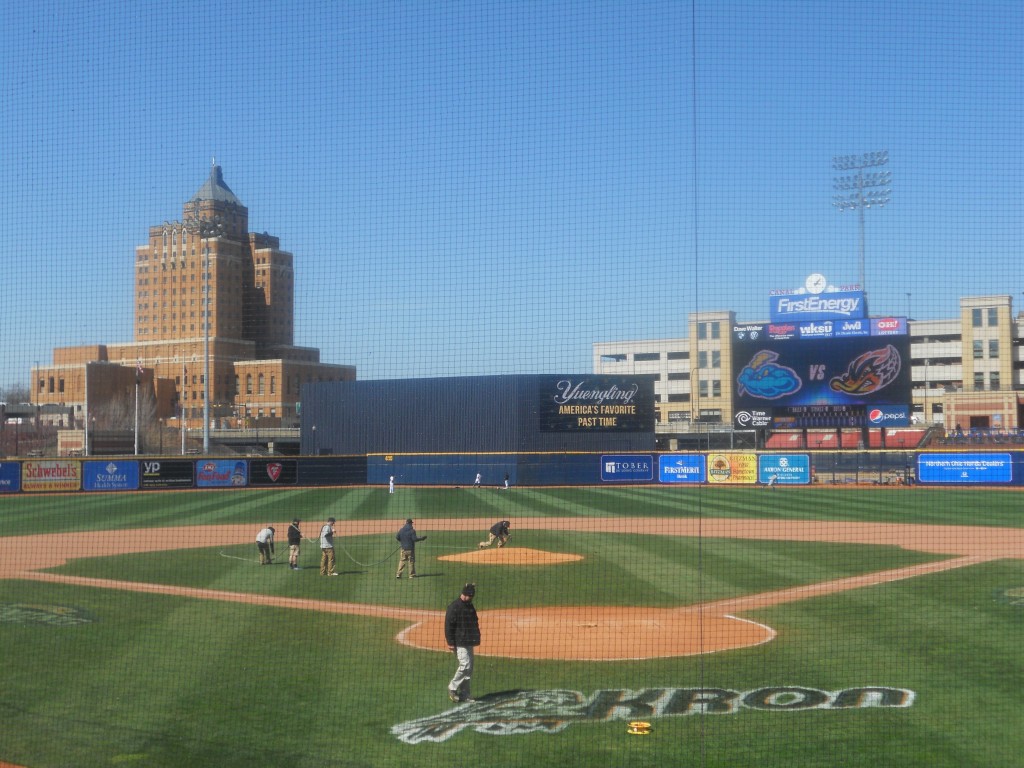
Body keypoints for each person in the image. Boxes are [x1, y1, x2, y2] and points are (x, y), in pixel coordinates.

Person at [445, 583, 481, 703]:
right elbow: (448, 626)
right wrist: (450, 642)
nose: (470, 598)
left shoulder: (470, 606)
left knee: (469, 669)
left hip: (469, 640)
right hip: (459, 641)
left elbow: (474, 622)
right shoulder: (454, 607)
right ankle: (452, 687)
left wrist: (476, 638)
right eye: (469, 596)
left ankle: (465, 694)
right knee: (465, 664)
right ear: (464, 594)